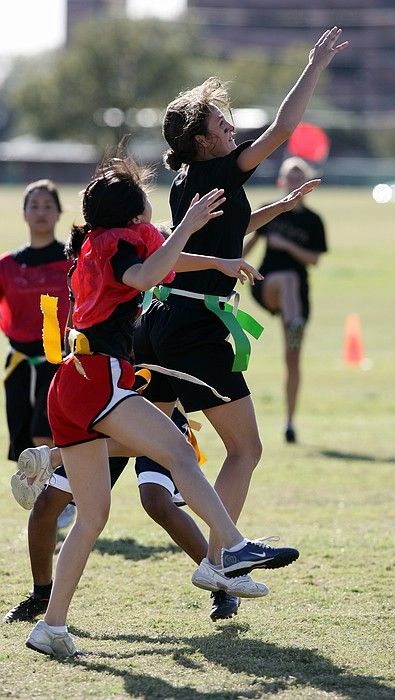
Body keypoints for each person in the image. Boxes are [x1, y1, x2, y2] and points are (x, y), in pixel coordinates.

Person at [23, 151, 299, 658]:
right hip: (98, 378)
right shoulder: (121, 246)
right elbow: (143, 276)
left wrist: (215, 259)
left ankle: (52, 627)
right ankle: (231, 548)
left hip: (71, 379)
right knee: (176, 449)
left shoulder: (101, 239)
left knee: (92, 517)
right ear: (132, 216)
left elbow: (160, 262)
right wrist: (190, 225)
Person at [137, 27, 347, 576]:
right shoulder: (222, 167)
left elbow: (224, 234)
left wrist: (281, 206)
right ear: (203, 140)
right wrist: (315, 66)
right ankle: (221, 557)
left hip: (162, 321)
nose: (231, 129)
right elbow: (283, 128)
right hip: (193, 327)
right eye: (221, 124)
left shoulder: (189, 178)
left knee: (145, 437)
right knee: (246, 449)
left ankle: (56, 465)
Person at [6, 409, 239, 626]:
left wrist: (59, 455)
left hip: (157, 413)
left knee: (156, 501)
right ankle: (42, 594)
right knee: (46, 504)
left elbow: (144, 436)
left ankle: (221, 582)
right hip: (103, 416)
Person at [0, 179, 75, 528]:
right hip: (17, 362)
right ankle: (48, 498)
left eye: (48, 205)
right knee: (23, 437)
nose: (41, 212)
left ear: (59, 212)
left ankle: (59, 499)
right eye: (35, 205)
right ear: (24, 212)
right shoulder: (8, 265)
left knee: (46, 430)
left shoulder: (71, 260)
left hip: (57, 358)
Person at [244, 157, 328, 444]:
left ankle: (290, 423)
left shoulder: (313, 221)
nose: (293, 182)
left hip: (298, 295)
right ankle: (294, 324)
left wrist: (288, 246)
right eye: (288, 177)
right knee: (287, 279)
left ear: (306, 184)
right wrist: (223, 263)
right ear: (282, 182)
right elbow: (246, 246)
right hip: (268, 285)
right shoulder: (271, 211)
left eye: (298, 177)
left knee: (293, 361)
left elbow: (315, 259)